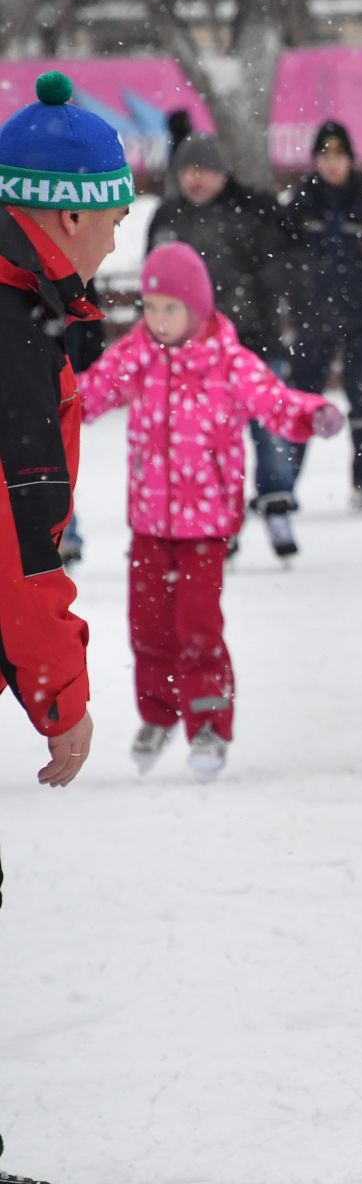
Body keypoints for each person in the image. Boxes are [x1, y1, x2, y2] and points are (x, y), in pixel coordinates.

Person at [77, 244, 344, 779]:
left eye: (169, 308)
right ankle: (158, 713)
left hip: (206, 526)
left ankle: (207, 722)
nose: (157, 319)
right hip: (150, 521)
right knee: (148, 627)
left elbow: (274, 401)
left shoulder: (227, 361)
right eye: (149, 307)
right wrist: (39, 404)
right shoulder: (137, 354)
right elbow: (91, 392)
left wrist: (312, 414)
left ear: (197, 309)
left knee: (197, 626)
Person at [0, 70, 126, 792]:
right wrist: (60, 694)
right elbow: (20, 546)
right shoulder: (14, 339)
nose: (112, 247)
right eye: (114, 221)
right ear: (72, 218)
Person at [148, 131, 312, 558]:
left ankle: (277, 503)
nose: (194, 179)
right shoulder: (169, 217)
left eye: (203, 170)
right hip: (191, 354)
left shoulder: (253, 209)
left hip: (254, 341)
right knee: (208, 440)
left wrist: (251, 304)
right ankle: (221, 514)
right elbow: (155, 279)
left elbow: (280, 267)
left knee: (269, 431)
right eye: (187, 170)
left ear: (223, 173)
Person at [285, 119, 362, 511]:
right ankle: (284, 481)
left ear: (351, 159)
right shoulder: (304, 199)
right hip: (314, 319)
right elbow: (284, 258)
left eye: (339, 155)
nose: (332, 164)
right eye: (324, 155)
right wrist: (298, 302)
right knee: (301, 399)